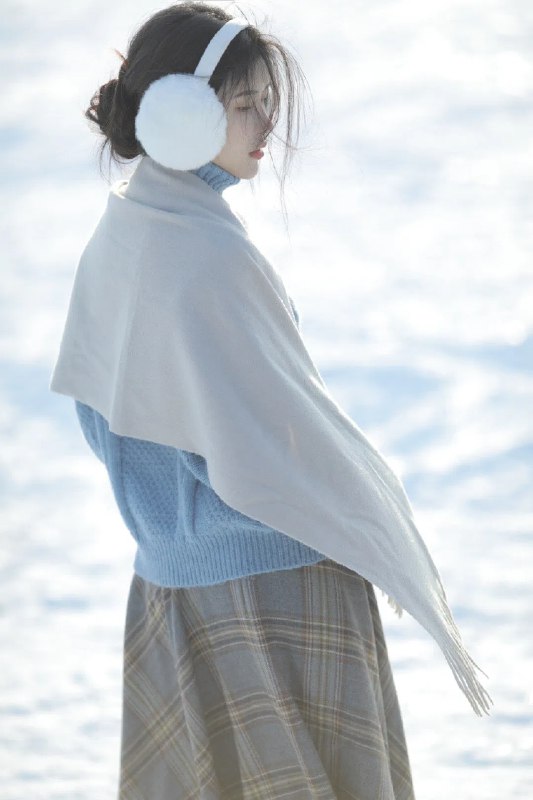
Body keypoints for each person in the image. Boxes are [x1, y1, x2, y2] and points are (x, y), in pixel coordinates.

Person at [50, 3, 491, 798]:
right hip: (274, 586)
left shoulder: (121, 233)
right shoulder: (205, 253)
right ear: (179, 112)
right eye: (243, 104)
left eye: (266, 101)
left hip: (171, 588)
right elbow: (272, 439)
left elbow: (106, 417)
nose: (266, 125)